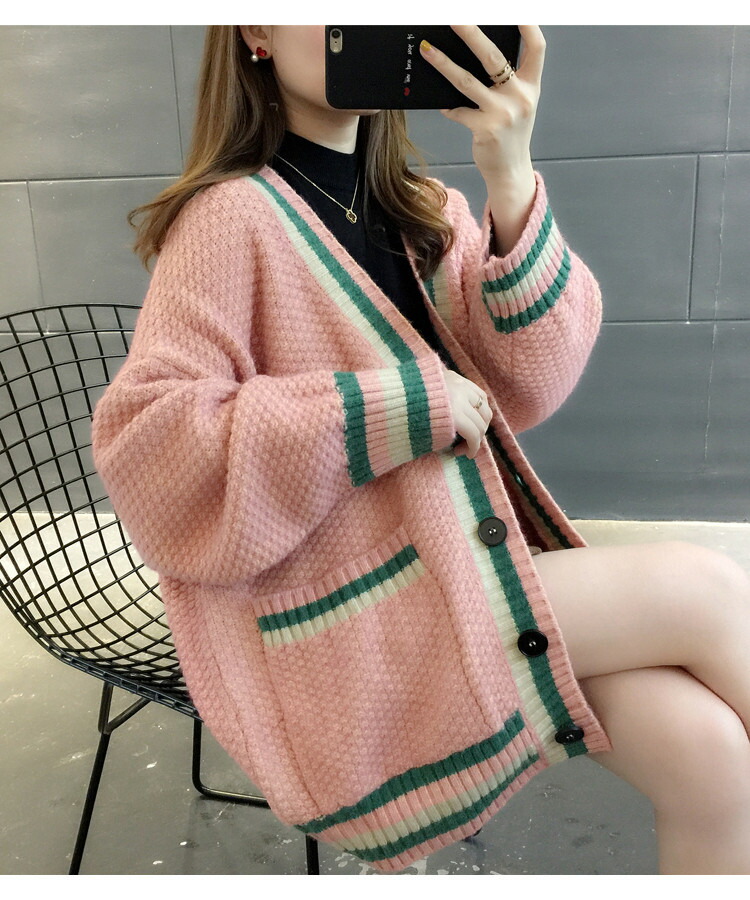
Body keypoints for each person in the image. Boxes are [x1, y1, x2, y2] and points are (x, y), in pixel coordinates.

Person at [91, 25, 750, 874]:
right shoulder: (227, 220)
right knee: (703, 589)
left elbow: (532, 383)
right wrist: (401, 405)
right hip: (348, 628)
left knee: (708, 758)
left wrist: (510, 178)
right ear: (255, 29)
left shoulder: (425, 210)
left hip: (450, 573)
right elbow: (153, 453)